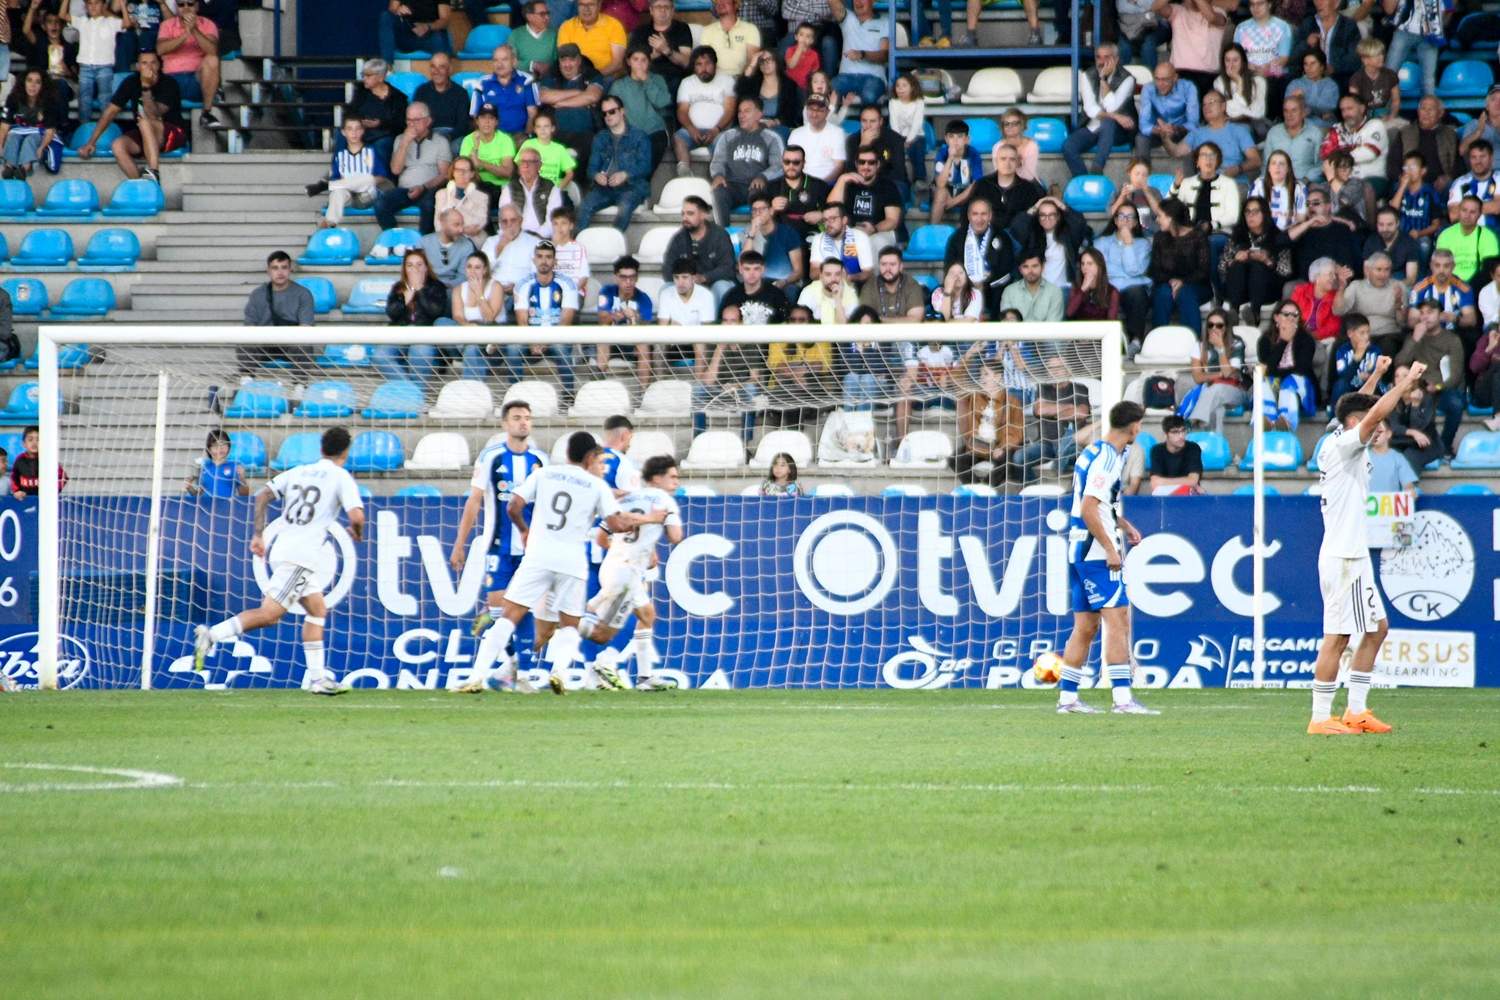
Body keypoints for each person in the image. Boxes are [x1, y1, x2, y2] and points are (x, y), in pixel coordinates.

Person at [466, 431, 663, 695]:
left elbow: (513, 505)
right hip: (572, 562)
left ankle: (476, 677)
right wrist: (648, 519)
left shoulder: (544, 473)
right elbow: (616, 524)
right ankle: (558, 673)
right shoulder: (596, 485)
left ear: (567, 452)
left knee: (509, 616)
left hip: (538, 555)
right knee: (569, 624)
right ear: (590, 457)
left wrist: (524, 530)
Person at [192, 427, 366, 696]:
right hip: (301, 555)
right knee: (270, 615)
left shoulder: (299, 471)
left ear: (321, 449)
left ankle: (318, 679)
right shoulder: (340, 476)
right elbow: (357, 516)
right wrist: (357, 532)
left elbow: (263, 495)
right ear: (346, 451)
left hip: (286, 548)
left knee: (317, 610)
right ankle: (212, 634)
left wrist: (259, 534)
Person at [1305, 363, 1429, 734]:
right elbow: (1369, 412)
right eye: (1374, 423)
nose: (1380, 428)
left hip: (1354, 557)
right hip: (1342, 557)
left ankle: (1356, 710)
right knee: (1339, 636)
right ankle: (1319, 718)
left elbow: (1358, 405)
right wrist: (1405, 383)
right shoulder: (1344, 444)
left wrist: (1376, 375)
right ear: (1358, 423)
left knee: (1377, 629)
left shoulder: (1336, 432)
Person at [1054, 400, 1156, 715]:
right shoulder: (1108, 458)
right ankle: (1122, 699)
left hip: (1077, 549)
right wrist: (1111, 549)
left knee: (1085, 627)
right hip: (1096, 553)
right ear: (1134, 426)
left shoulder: (1092, 451)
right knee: (1118, 620)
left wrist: (1123, 525)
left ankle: (1068, 699)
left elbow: (1100, 504)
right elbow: (1088, 507)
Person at [451, 401, 548, 691]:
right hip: (498, 545)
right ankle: (512, 665)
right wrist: (460, 544)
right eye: (517, 418)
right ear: (505, 424)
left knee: (525, 608)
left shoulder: (541, 459)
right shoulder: (491, 457)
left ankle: (524, 675)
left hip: (532, 547)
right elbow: (474, 501)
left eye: (527, 418)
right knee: (498, 611)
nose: (523, 423)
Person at [576, 454, 684, 691]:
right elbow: (676, 537)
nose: (677, 482)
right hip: (627, 573)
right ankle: (605, 659)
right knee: (603, 635)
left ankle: (645, 678)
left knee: (647, 616)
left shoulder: (626, 498)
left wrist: (626, 549)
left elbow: (603, 537)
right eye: (673, 477)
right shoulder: (664, 501)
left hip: (614, 566)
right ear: (657, 478)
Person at [76, 49, 184, 183]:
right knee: (117, 145)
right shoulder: (131, 81)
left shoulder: (169, 83)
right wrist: (91, 143)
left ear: (159, 65)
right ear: (138, 66)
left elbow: (154, 115)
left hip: (172, 132)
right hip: (145, 133)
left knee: (144, 121)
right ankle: (142, 185)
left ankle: (154, 172)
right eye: (144, 63)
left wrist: (146, 87)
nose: (149, 67)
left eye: (153, 63)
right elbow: (110, 111)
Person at [1395, 302, 1466, 456]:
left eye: (1430, 312)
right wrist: (1414, 339)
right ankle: (1413, 445)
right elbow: (1399, 363)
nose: (1425, 316)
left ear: (1441, 316)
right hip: (1419, 387)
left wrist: (1438, 386)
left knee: (1456, 404)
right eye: (1422, 312)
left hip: (1442, 389)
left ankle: (1445, 446)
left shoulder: (1452, 339)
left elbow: (1456, 374)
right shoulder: (1414, 337)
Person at [511, 240, 581, 391]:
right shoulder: (522, 285)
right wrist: (532, 342)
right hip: (530, 337)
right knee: (513, 348)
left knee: (561, 349)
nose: (544, 261)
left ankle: (569, 395)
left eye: (548, 257)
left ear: (555, 261)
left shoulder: (568, 284)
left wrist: (546, 342)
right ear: (534, 260)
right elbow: (522, 321)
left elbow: (565, 322)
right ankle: (514, 393)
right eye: (540, 256)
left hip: (557, 336)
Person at [374, 101, 452, 235]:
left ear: (428, 121)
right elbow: (396, 170)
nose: (411, 124)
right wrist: (404, 143)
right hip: (405, 189)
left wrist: (423, 187)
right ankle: (396, 239)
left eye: (416, 120)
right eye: (409, 120)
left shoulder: (440, 141)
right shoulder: (400, 139)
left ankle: (422, 245)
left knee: (429, 206)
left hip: (429, 189)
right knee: (381, 204)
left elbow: (444, 175)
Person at [1063, 44, 1137, 180]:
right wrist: (1116, 116)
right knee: (1069, 146)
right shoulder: (1087, 75)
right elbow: (1090, 109)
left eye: (1106, 57)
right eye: (1098, 57)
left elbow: (1112, 107)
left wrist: (1103, 80)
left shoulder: (1128, 79)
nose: (1101, 62)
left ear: (1116, 59)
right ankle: (1084, 181)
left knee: (1108, 121)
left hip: (1119, 131)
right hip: (1094, 126)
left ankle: (1097, 168)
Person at [710, 95, 784, 226]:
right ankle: (723, 236)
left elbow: (779, 165)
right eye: (739, 111)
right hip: (733, 186)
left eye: (747, 111)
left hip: (759, 187)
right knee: (718, 192)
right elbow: (718, 161)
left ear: (759, 114)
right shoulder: (727, 136)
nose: (741, 115)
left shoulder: (771, 137)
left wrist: (763, 177)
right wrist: (718, 175)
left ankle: (758, 236)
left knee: (758, 193)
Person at [1221, 196, 1293, 326]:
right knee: (1238, 266)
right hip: (1240, 289)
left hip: (1267, 290)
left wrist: (1267, 261)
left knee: (1257, 266)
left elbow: (1286, 271)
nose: (1251, 216)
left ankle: (1254, 314)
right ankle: (1233, 312)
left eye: (1255, 212)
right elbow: (1221, 267)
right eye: (1247, 212)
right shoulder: (1237, 236)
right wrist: (1233, 260)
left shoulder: (1277, 237)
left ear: (1265, 214)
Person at [241, 250, 315, 369]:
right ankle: (247, 380)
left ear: (290, 269)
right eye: (275, 268)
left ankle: (300, 385)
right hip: (264, 343)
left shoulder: (303, 294)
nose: (280, 272)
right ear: (268, 271)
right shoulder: (257, 294)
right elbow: (250, 326)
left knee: (303, 345)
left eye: (284, 267)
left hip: (291, 343)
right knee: (245, 343)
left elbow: (306, 327)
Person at [943, 197, 1014, 321]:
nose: (979, 219)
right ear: (969, 216)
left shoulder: (1002, 237)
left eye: (983, 214)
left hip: (994, 290)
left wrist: (984, 283)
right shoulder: (957, 238)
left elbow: (1006, 269)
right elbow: (950, 268)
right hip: (964, 290)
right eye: (975, 214)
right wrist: (969, 284)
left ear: (990, 215)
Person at [660, 195, 738, 306]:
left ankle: (716, 323)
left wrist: (704, 277)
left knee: (722, 287)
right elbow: (667, 269)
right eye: (683, 214)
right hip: (687, 285)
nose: (685, 218)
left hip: (713, 283)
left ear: (703, 215)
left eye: (690, 213)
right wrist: (684, 280)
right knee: (666, 289)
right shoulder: (679, 238)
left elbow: (728, 268)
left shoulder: (720, 235)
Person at [156, 0, 224, 128]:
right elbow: (161, 49)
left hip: (196, 80)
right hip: (172, 80)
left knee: (212, 60)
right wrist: (185, 34)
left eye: (190, 4)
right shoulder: (167, 25)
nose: (186, 8)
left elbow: (212, 50)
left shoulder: (208, 24)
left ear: (197, 6)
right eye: (181, 5)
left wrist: (194, 30)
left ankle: (206, 113)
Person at [672, 44, 735, 177]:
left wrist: (716, 129)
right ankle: (684, 172)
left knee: (724, 141)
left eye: (707, 63)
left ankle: (718, 177)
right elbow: (682, 111)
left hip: (719, 131)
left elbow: (730, 109)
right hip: (692, 130)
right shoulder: (687, 83)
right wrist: (691, 129)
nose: (703, 68)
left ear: (715, 64)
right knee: (678, 137)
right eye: (699, 64)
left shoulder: (727, 81)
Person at [1166, 92, 1262, 179]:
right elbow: (1176, 152)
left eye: (1211, 102)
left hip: (1235, 183)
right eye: (1204, 105)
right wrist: (1164, 137)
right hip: (1206, 183)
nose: (1206, 107)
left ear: (1223, 106)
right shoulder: (1197, 133)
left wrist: (1237, 169)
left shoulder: (1239, 130)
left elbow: (1256, 160)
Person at [1096, 202, 1153, 347]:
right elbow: (1102, 269)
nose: (1125, 220)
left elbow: (1134, 270)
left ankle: (1136, 341)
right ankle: (1104, 342)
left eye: (1130, 217)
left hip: (1133, 288)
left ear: (1135, 222)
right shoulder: (1101, 243)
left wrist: (1128, 244)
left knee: (1137, 292)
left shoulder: (1143, 244)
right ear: (1115, 220)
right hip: (1109, 285)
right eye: (1121, 216)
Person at [1149, 198, 1210, 333]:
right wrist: (1171, 281)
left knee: (1186, 293)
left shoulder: (1198, 236)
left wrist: (1183, 281)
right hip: (1166, 284)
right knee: (1163, 294)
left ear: (1170, 218)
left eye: (1160, 216)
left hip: (1196, 284)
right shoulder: (1159, 237)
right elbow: (1155, 269)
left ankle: (1193, 343)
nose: (1157, 220)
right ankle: (1158, 340)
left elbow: (1203, 271)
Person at [829, 141, 901, 253]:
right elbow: (831, 209)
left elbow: (892, 220)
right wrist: (841, 180)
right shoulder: (847, 182)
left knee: (875, 243)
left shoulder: (888, 186)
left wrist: (874, 229)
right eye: (862, 162)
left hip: (880, 232)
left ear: (878, 165)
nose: (866, 166)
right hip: (850, 233)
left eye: (871, 163)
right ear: (856, 164)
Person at [609, 45, 672, 172]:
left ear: (649, 62)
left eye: (644, 60)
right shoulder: (619, 86)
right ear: (628, 62)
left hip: (655, 131)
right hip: (630, 133)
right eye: (635, 59)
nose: (639, 64)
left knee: (650, 154)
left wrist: (646, 80)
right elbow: (611, 113)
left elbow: (662, 102)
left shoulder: (657, 79)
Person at [1258, 299, 1319, 429]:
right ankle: (1266, 421)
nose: (1291, 318)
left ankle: (1286, 422)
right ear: (1276, 318)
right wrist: (1284, 341)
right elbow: (1267, 369)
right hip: (1274, 383)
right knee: (1263, 382)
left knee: (1289, 381)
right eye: (1286, 315)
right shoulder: (1265, 340)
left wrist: (1278, 374)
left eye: (1295, 315)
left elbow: (1301, 369)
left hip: (1300, 386)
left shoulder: (1306, 340)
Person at [1182, 314, 1248, 434]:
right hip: (1210, 392)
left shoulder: (1237, 343)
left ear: (1226, 327)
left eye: (1219, 325)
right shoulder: (1200, 346)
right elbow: (1197, 377)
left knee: (1217, 389)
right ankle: (1216, 443)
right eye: (1210, 325)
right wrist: (1220, 374)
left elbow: (1228, 373)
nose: (1214, 329)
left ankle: (1192, 421)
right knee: (1218, 408)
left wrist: (1221, 348)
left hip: (1236, 391)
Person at [538, 43, 605, 157]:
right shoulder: (552, 74)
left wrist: (560, 102)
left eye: (571, 60)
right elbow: (543, 96)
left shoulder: (591, 73)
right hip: (555, 135)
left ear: (579, 60)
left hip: (585, 135)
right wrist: (578, 93)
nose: (567, 65)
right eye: (563, 60)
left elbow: (592, 96)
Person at [1334, 250, 1407, 352]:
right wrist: (1341, 288)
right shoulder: (1356, 286)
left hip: (1388, 334)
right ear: (1368, 270)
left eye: (1387, 270)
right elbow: (1338, 311)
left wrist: (1398, 304)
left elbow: (1403, 323)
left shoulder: (1398, 286)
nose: (1383, 274)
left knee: (1388, 346)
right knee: (1339, 345)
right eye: (1378, 269)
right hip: (1360, 334)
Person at [0, 69, 66, 179]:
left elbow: (50, 131)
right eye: (29, 81)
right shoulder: (13, 99)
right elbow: (4, 126)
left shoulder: (50, 102)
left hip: (40, 134)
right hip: (18, 132)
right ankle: (9, 167)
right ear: (23, 83)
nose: (33, 85)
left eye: (37, 82)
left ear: (43, 85)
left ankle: (24, 169)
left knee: (30, 139)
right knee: (12, 136)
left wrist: (41, 148)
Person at [1387, 96, 1457, 194]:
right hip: (1410, 180)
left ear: (1440, 113)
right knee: (1398, 186)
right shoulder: (1405, 132)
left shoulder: (1450, 134)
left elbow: (1458, 164)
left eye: (1430, 109)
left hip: (1439, 183)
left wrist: (1448, 177)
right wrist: (1404, 178)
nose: (1426, 113)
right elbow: (1393, 164)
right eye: (1423, 109)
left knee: (1453, 186)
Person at [1288, 184, 1362, 275]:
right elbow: (1282, 240)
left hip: (1337, 279)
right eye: (1307, 204)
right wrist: (1308, 223)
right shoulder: (1302, 230)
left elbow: (1350, 263)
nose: (1311, 207)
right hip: (1308, 282)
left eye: (1316, 203)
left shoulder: (1342, 230)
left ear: (1328, 206)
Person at [471, 44, 540, 142]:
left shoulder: (526, 81)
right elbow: (475, 115)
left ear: (514, 61)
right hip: (492, 136)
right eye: (496, 60)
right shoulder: (482, 83)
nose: (499, 64)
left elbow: (532, 114)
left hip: (519, 136)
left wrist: (527, 137)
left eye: (504, 59)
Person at [971, 143, 1045, 233]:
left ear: (1018, 162)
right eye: (1003, 159)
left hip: (1018, 238)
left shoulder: (1028, 188)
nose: (1007, 163)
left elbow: (1031, 221)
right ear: (996, 161)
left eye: (1012, 159)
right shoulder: (982, 185)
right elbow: (969, 213)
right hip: (987, 237)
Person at [345, 59, 407, 164]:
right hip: (362, 132)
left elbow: (401, 123)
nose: (364, 79)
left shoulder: (397, 97)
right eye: (363, 75)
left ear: (381, 77)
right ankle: (337, 171)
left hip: (386, 134)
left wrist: (380, 123)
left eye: (368, 76)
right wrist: (360, 122)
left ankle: (380, 177)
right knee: (342, 134)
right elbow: (350, 113)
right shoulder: (361, 93)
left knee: (382, 144)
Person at [1321, 93, 1388, 191]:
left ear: (1362, 108)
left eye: (1350, 108)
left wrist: (1339, 156)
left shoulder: (1375, 125)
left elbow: (1369, 153)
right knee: (1316, 190)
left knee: (1356, 192)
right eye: (1343, 110)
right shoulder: (1337, 129)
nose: (1346, 114)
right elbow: (1326, 156)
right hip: (1343, 179)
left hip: (1371, 179)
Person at [1135, 62, 1200, 160]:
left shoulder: (1188, 87)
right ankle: (1143, 173)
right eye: (1157, 79)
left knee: (1194, 136)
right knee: (1141, 138)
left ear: (1175, 78)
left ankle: (1191, 174)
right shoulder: (1148, 89)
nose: (1160, 84)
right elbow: (1144, 124)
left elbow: (1193, 122)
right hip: (1158, 132)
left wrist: (1175, 129)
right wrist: (1159, 130)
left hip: (1180, 131)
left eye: (1165, 80)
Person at [741, 191, 805, 289]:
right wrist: (752, 233)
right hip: (757, 282)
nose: (758, 213)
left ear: (771, 211)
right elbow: (744, 262)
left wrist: (783, 282)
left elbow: (798, 271)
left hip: (785, 282)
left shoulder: (788, 232)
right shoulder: (748, 232)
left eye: (762, 209)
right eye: (754, 210)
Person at [827, 0, 885, 107]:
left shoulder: (884, 23)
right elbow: (832, 2)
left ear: (873, 1)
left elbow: (884, 55)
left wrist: (863, 54)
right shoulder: (849, 19)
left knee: (869, 96)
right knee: (827, 93)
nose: (858, 2)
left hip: (873, 78)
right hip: (846, 77)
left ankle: (869, 124)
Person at [1407, 247, 1478, 334]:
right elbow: (1412, 320)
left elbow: (1471, 319)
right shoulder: (1419, 288)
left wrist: (1455, 319)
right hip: (1427, 333)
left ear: (1453, 266)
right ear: (1431, 266)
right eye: (1437, 265)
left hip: (1454, 333)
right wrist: (1430, 321)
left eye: (1446, 266)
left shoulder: (1463, 288)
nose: (1441, 270)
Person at [768, 142, 830, 240]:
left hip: (811, 236)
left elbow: (836, 213)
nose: (791, 166)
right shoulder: (770, 187)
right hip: (780, 237)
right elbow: (759, 219)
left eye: (796, 162)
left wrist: (822, 216)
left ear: (804, 163)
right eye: (787, 162)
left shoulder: (819, 186)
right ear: (782, 162)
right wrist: (772, 209)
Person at [1385, 0, 1446, 100]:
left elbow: (1447, 7)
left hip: (1430, 31)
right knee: (1389, 73)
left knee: (1428, 80)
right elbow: (1388, 9)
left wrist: (1438, 25)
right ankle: (1383, 112)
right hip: (1403, 29)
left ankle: (1428, 113)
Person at [499, 146, 564, 238]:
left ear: (539, 165)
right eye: (523, 162)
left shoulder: (551, 188)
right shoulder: (509, 188)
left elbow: (553, 220)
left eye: (531, 162)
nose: (526, 166)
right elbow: (503, 218)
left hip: (542, 239)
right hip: (515, 238)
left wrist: (535, 237)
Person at [1292, 0, 1360, 88]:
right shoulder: (1307, 24)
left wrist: (1333, 68)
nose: (1319, 3)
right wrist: (1306, 44)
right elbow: (1293, 58)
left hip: (1339, 79)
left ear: (1336, 3)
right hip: (1309, 79)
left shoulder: (1348, 26)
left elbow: (1355, 59)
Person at [21, 6, 79, 109]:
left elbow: (76, 77)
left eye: (57, 22)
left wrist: (67, 72)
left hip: (63, 86)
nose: (54, 25)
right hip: (43, 84)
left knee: (60, 85)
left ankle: (62, 124)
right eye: (50, 22)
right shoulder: (40, 42)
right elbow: (26, 30)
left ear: (62, 26)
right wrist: (32, 8)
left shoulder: (69, 48)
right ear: (43, 26)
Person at [1435, 195, 1500, 285]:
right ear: (1459, 211)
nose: (1467, 215)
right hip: (1451, 285)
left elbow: (1489, 269)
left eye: (1472, 212)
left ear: (1480, 214)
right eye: (1464, 210)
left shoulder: (1488, 236)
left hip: (1478, 286)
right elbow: (1441, 265)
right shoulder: (1445, 235)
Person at [630, 0, 692, 93]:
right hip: (646, 77)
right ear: (651, 10)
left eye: (667, 7)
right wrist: (651, 57)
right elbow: (632, 64)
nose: (663, 10)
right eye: (658, 7)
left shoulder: (682, 28)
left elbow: (686, 62)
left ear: (672, 10)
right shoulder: (640, 31)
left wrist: (666, 50)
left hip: (674, 77)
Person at [930, 118, 984, 223]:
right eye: (951, 137)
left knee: (976, 195)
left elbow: (976, 184)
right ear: (946, 139)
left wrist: (953, 202)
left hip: (964, 194)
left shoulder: (973, 154)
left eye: (960, 137)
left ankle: (963, 235)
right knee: (940, 192)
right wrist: (950, 158)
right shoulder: (942, 153)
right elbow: (940, 184)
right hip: (945, 192)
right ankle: (933, 231)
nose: (955, 141)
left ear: (967, 139)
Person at [1264, 93, 1326, 183]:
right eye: (1286, 111)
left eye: (1294, 110)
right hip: (1277, 182)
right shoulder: (1273, 132)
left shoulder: (1315, 133)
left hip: (1306, 182)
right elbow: (1267, 163)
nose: (1289, 115)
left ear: (1303, 113)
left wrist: (1305, 180)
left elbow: (1320, 164)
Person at [806, 200, 872, 283]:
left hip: (854, 285)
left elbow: (868, 273)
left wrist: (849, 278)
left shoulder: (860, 236)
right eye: (825, 220)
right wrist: (832, 277)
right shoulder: (818, 239)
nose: (828, 223)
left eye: (833, 219)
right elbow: (813, 273)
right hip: (826, 286)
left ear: (844, 220)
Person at [785, 94, 845, 184]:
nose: (814, 114)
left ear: (827, 112)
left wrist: (820, 185)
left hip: (827, 183)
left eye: (819, 110)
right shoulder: (796, 134)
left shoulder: (837, 133)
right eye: (811, 109)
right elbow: (791, 164)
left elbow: (839, 166)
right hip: (801, 183)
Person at [559, 0, 627, 79]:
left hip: (605, 77)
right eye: (582, 4)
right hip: (575, 77)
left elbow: (617, 64)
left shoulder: (614, 25)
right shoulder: (566, 27)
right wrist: (579, 79)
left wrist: (593, 77)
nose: (586, 9)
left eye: (591, 4)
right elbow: (564, 59)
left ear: (599, 5)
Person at [720, 248, 791, 324]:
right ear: (740, 269)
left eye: (756, 269)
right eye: (747, 269)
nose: (751, 273)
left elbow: (785, 324)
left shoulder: (777, 295)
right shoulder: (732, 297)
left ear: (763, 269)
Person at [414, 52, 470, 148]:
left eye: (441, 67)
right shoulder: (422, 91)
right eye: (433, 67)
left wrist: (447, 138)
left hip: (452, 136)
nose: (436, 71)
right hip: (428, 135)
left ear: (449, 70)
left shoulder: (461, 93)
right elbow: (416, 120)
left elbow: (463, 125)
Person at [1215, 43, 1269, 140]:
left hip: (1253, 125)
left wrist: (1239, 81)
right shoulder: (1219, 82)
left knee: (1241, 130)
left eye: (1235, 60)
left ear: (1243, 61)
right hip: (1229, 125)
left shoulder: (1258, 81)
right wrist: (1245, 110)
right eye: (1227, 60)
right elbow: (1226, 111)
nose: (1231, 65)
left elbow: (1258, 112)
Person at [1328, 312, 1385, 402]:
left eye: (1368, 332)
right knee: (1340, 385)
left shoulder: (1375, 350)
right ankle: (1336, 415)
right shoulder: (1342, 350)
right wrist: (1357, 357)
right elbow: (1343, 375)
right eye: (1362, 333)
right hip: (1349, 386)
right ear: (1350, 333)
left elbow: (1380, 373)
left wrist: (1370, 376)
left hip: (1368, 385)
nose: (1366, 336)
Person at [378, 0, 452, 64]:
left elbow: (445, 20)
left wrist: (427, 27)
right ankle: (387, 68)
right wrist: (397, 10)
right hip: (406, 34)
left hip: (429, 35)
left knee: (440, 38)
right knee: (386, 17)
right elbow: (392, 8)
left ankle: (442, 76)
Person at [1000, 250, 1064, 323]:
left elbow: (1053, 326)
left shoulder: (1055, 292)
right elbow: (1008, 326)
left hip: (1046, 334)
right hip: (1017, 334)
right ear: (1020, 269)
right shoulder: (1009, 292)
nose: (1030, 271)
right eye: (1025, 267)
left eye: (1035, 266)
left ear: (1042, 267)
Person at [434, 156, 490, 240]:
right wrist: (463, 228)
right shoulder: (441, 194)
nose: (461, 173)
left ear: (472, 174)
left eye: (465, 171)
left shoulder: (482, 197)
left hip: (472, 238)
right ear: (453, 172)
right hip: (448, 238)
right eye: (458, 170)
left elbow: (478, 224)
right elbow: (438, 225)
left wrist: (452, 224)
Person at [701, 0, 760, 78]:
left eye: (725, 1)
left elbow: (752, 61)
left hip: (742, 79)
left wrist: (742, 80)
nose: (720, 3)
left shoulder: (750, 29)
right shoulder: (707, 30)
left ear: (736, 5)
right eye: (717, 2)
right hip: (715, 79)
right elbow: (705, 60)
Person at [184, 427, 248, 497]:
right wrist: (189, 487)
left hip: (227, 506)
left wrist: (242, 478)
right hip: (207, 507)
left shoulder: (235, 466)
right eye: (215, 445)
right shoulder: (204, 468)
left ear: (229, 446)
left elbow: (245, 494)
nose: (220, 448)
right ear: (209, 449)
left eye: (223, 444)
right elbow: (199, 496)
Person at [1349, 36, 1401, 124]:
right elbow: (1354, 105)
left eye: (1381, 54)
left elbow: (1396, 100)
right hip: (1364, 119)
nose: (1381, 57)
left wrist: (1391, 116)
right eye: (1376, 55)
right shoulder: (1356, 79)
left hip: (1385, 116)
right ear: (1365, 60)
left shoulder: (1390, 75)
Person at [657, 254, 717, 328]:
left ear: (693, 278)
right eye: (676, 277)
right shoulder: (665, 294)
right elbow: (663, 328)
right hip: (673, 338)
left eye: (684, 277)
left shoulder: (706, 295)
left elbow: (707, 331)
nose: (680, 282)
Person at [10, 425, 68, 500]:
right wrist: (17, 491)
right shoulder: (20, 459)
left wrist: (52, 490)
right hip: (24, 500)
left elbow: (63, 477)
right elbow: (14, 478)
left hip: (45, 500)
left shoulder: (48, 459)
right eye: (30, 440)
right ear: (23, 444)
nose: (34, 443)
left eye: (38, 440)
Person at [1148, 415, 1203, 493]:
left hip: (1188, 496)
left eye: (1183, 430)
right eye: (1175, 432)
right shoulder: (1157, 450)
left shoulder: (1193, 448)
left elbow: (1193, 481)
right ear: (1165, 434)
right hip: (1165, 495)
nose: (1181, 436)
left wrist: (1162, 482)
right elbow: (1154, 483)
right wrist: (1186, 482)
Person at [1286, 49, 1340, 127]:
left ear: (1322, 66)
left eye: (1313, 63)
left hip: (1324, 127)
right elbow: (1290, 110)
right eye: (1306, 64)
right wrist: (1320, 114)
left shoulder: (1331, 85)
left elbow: (1327, 107)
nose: (1309, 67)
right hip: (1299, 127)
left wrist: (1303, 98)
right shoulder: (1294, 84)